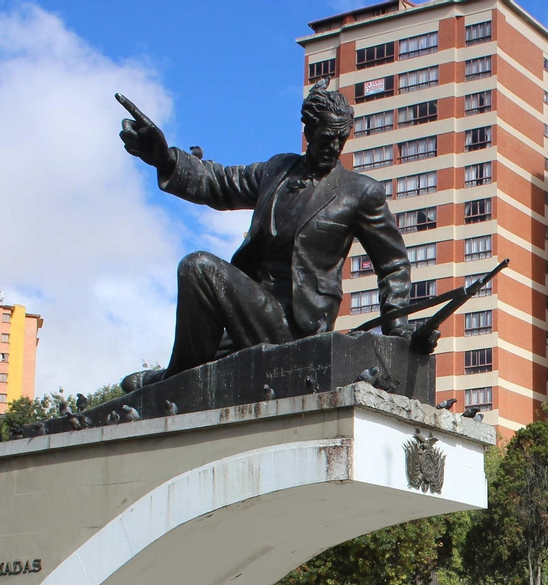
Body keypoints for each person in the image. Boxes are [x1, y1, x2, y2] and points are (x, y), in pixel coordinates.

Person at [115, 82, 435, 387]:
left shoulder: (361, 192)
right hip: (249, 313)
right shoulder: (277, 170)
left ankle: (175, 379)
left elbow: (393, 263)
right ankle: (179, 376)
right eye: (326, 138)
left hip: (297, 326)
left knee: (198, 266)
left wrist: (398, 326)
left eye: (341, 139)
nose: (334, 147)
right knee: (175, 368)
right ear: (308, 132)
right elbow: (220, 182)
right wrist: (164, 158)